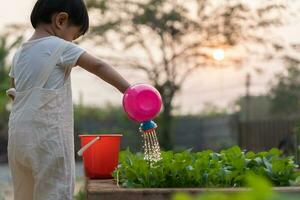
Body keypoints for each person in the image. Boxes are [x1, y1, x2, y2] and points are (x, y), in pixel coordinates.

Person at [6, 0, 130, 199]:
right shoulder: (60, 47)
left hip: (17, 140)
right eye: (75, 36)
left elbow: (15, 90)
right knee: (55, 190)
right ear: (61, 20)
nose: (72, 42)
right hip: (47, 140)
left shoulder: (19, 54)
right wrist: (129, 90)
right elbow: (98, 66)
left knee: (25, 194)